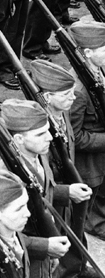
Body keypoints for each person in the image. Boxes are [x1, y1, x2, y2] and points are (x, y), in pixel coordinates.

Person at [0, 99, 88, 278]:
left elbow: (42, 192)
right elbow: (4, 235)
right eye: (40, 134)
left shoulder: (39, 153)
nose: (49, 137)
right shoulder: (7, 180)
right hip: (29, 261)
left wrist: (67, 191)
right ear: (19, 139)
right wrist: (44, 246)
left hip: (48, 245)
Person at [68, 21, 105, 242]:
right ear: (88, 52)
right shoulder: (78, 90)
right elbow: (76, 138)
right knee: (94, 195)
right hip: (90, 162)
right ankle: (96, 224)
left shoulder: (98, 69)